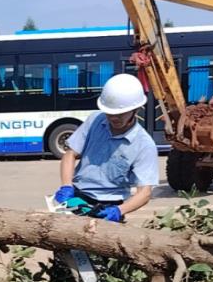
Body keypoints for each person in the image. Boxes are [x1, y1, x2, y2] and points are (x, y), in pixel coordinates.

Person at [53, 73, 158, 221]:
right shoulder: (95, 120)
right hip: (78, 197)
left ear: (136, 109)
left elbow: (145, 192)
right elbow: (70, 154)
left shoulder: (144, 144)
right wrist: (66, 186)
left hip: (110, 205)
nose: (114, 118)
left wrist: (118, 211)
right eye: (110, 113)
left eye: (120, 114)